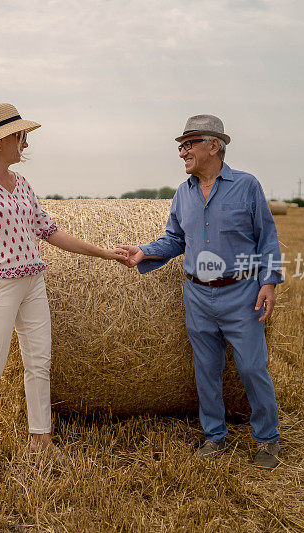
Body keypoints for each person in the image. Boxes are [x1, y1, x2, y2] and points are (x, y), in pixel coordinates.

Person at [0, 103, 128, 475]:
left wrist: (104, 253)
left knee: (39, 361)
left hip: (33, 282)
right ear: (1, 140)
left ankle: (40, 440)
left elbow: (50, 232)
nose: (25, 144)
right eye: (21, 136)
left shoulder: (23, 184)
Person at [117, 114, 283, 469]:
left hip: (241, 293)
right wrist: (145, 251)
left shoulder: (246, 186)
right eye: (181, 146)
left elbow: (267, 237)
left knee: (253, 368)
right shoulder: (183, 193)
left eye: (188, 144)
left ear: (214, 146)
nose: (182, 152)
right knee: (206, 370)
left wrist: (268, 282)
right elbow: (175, 239)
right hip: (197, 295)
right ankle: (213, 436)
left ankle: (267, 440)